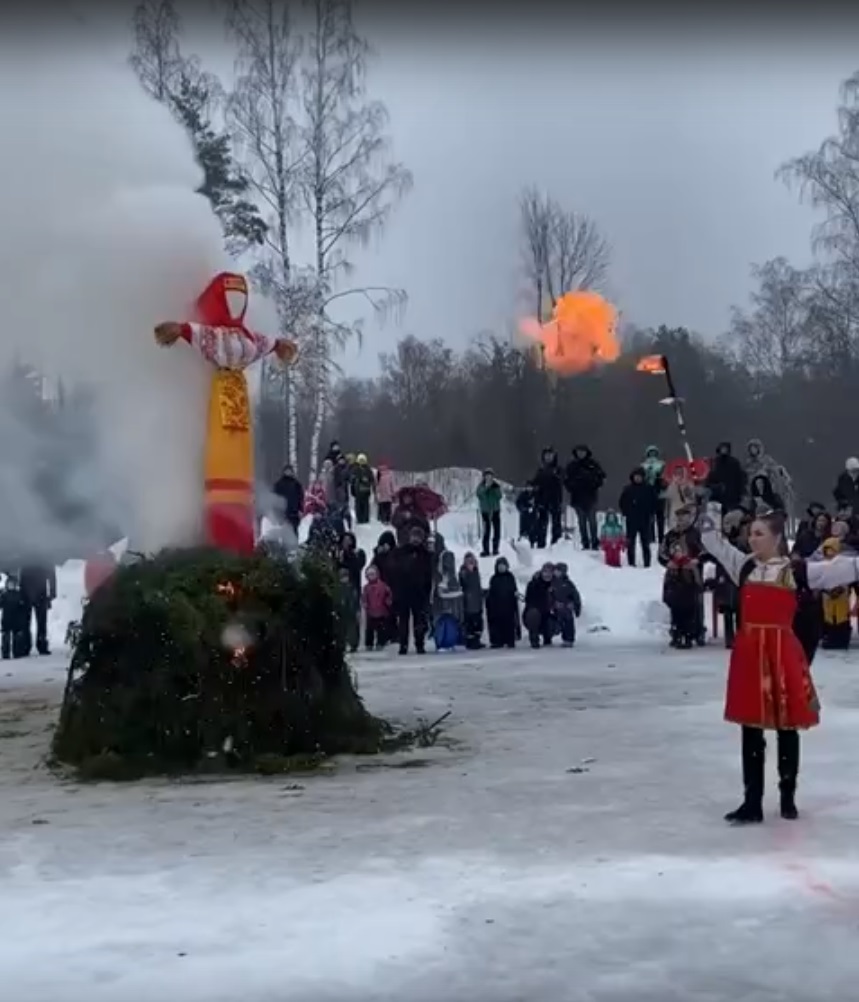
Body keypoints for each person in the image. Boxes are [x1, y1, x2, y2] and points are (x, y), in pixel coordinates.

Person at [698, 504, 859, 823]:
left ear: (775, 538)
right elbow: (711, 541)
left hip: (781, 650)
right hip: (750, 652)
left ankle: (787, 796)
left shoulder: (796, 571)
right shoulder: (744, 566)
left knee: (786, 726)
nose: (752, 539)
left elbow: (845, 568)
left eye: (759, 534)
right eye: (750, 533)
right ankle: (752, 801)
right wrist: (712, 505)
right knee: (751, 727)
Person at [391, 524, 434, 655]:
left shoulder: (425, 554)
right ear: (410, 537)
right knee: (403, 621)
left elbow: (429, 574)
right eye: (414, 536)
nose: (415, 539)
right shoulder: (400, 552)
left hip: (419, 592)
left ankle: (419, 644)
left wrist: (427, 591)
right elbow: (394, 570)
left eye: (418, 537)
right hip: (403, 591)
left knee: (419, 620)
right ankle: (403, 645)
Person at [564, 445, 606, 551]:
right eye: (579, 452)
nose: (581, 454)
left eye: (583, 452)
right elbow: (566, 480)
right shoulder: (572, 466)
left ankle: (595, 542)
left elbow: (601, 477)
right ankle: (585, 542)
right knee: (581, 522)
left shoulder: (593, 464)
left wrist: (593, 483)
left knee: (592, 521)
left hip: (591, 496)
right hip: (577, 497)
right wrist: (573, 486)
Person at [662, 542, 702, 648]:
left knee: (688, 619)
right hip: (676, 598)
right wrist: (667, 596)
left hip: (688, 597)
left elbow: (697, 582)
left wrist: (697, 592)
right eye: (676, 552)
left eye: (680, 551)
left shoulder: (690, 566)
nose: (678, 554)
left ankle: (688, 637)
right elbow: (666, 583)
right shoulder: (671, 567)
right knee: (676, 619)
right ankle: (677, 637)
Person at [619, 467, 657, 568]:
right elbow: (622, 502)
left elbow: (654, 502)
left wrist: (652, 513)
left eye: (640, 477)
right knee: (631, 542)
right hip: (631, 519)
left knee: (645, 542)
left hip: (645, 519)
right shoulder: (628, 489)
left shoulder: (649, 489)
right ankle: (631, 562)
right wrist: (625, 512)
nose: (638, 478)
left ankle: (647, 563)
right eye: (636, 477)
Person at [819, 537, 852, 650]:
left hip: (841, 599)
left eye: (832, 551)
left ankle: (841, 640)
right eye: (827, 552)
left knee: (841, 618)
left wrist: (838, 590)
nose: (829, 554)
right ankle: (830, 638)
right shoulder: (822, 565)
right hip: (827, 598)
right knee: (829, 619)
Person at [19, 562, 56, 656]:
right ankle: (35, 645)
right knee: (33, 621)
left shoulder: (27, 554)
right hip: (33, 591)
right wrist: (52, 592)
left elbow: (51, 573)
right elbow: (51, 573)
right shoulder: (41, 554)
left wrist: (52, 591)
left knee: (31, 621)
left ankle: (28, 645)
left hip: (31, 591)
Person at [532, 448, 564, 548]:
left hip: (555, 499)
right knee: (542, 522)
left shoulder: (558, 469)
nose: (548, 457)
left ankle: (556, 543)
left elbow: (563, 479)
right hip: (542, 499)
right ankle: (541, 543)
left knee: (556, 522)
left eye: (550, 455)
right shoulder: (540, 470)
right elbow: (535, 482)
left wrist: (556, 476)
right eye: (546, 455)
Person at [485, 557, 519, 649]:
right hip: (496, 607)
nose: (501, 568)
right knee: (496, 624)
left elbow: (514, 590)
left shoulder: (510, 577)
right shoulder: (494, 578)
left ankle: (510, 640)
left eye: (503, 566)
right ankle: (497, 641)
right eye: (499, 566)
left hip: (509, 606)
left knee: (509, 623)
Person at [434, 550, 464, 651]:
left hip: (452, 608)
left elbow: (457, 590)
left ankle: (451, 643)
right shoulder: (439, 576)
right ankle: (442, 644)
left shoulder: (453, 576)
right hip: (442, 609)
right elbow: (439, 593)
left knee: (451, 627)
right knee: (443, 628)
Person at [704, 442, 747, 511]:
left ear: (729, 450)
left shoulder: (734, 462)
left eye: (725, 448)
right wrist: (710, 486)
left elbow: (740, 479)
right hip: (717, 495)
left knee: (730, 516)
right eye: (722, 448)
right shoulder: (715, 462)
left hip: (732, 495)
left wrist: (741, 492)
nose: (724, 450)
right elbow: (710, 477)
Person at [523, 562, 556, 648]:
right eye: (545, 572)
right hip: (535, 612)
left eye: (550, 572)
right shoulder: (533, 584)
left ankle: (548, 637)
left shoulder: (556, 584)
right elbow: (529, 600)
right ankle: (534, 639)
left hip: (549, 613)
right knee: (533, 614)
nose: (547, 575)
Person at [550, 562, 582, 648]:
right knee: (559, 622)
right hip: (556, 608)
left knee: (568, 622)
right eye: (556, 570)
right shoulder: (552, 583)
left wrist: (576, 607)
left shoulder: (568, 583)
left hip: (566, 607)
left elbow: (575, 596)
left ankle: (569, 639)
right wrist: (553, 604)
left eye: (558, 571)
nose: (556, 572)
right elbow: (549, 596)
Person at [362, 565, 393, 651]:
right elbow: (364, 597)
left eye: (373, 574)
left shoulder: (383, 586)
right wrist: (365, 604)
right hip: (371, 611)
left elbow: (388, 594)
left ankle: (380, 642)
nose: (371, 577)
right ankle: (369, 644)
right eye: (369, 575)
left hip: (382, 610)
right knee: (369, 630)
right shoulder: (366, 587)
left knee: (381, 629)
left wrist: (388, 602)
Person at [640, 445, 667, 544]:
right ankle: (650, 537)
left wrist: (660, 478)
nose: (652, 455)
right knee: (649, 517)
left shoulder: (662, 464)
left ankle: (661, 537)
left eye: (654, 452)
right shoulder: (643, 466)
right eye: (650, 453)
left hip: (660, 493)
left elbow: (666, 478)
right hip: (648, 493)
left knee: (660, 517)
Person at [458, 552, 485, 649]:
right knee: (469, 623)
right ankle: (470, 641)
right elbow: (463, 584)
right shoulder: (463, 572)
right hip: (468, 602)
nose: (471, 564)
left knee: (478, 622)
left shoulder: (476, 571)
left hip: (477, 601)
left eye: (472, 561)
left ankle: (476, 640)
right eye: (468, 562)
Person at [0, 576, 31, 659]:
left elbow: (25, 606)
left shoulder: (20, 594)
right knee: (5, 638)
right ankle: (5, 653)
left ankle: (17, 652)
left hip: (17, 620)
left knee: (17, 638)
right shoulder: (4, 594)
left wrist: (23, 608)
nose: (11, 586)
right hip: (6, 619)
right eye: (9, 584)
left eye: (13, 584)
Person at [271, 464, 304, 535]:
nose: (288, 472)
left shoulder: (296, 484)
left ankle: (294, 545)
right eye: (287, 471)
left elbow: (301, 498)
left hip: (294, 512)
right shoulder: (278, 484)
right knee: (283, 533)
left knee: (294, 532)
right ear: (284, 472)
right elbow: (274, 498)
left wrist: (300, 510)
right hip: (283, 512)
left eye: (290, 471)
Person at [476, 469, 503, 557]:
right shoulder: (481, 486)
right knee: (486, 532)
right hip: (485, 512)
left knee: (497, 531)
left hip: (495, 511)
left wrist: (494, 488)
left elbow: (499, 496)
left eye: (490, 476)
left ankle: (495, 549)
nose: (488, 478)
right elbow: (479, 494)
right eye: (486, 476)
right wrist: (486, 488)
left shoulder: (496, 485)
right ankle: (486, 550)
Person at [664, 464, 697, 530]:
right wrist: (666, 514)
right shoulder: (671, 485)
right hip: (673, 513)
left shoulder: (688, 485)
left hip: (685, 513)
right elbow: (668, 501)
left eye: (680, 472)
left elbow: (692, 499)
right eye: (676, 472)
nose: (678, 474)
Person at [336, 566, 361, 653]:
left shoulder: (351, 587)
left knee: (352, 630)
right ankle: (342, 644)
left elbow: (355, 599)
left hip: (351, 612)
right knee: (342, 630)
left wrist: (357, 610)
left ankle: (353, 645)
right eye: (342, 577)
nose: (344, 579)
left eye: (345, 576)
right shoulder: (337, 588)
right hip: (342, 612)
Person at [351, 454, 375, 525]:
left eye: (363, 460)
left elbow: (372, 479)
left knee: (365, 505)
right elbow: (352, 479)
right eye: (360, 460)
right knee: (358, 505)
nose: (362, 461)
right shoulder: (355, 469)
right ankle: (359, 518)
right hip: (357, 490)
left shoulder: (368, 469)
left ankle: (365, 518)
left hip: (366, 490)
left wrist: (367, 480)